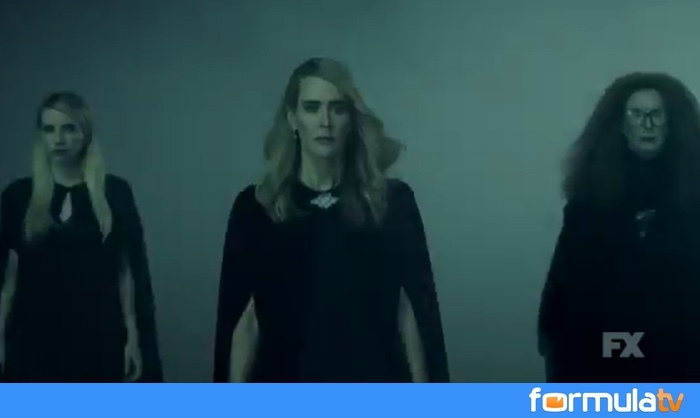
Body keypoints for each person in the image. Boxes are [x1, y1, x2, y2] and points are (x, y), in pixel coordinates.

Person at [213, 58, 450, 382]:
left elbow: (410, 312)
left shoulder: (390, 203)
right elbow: (245, 322)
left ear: (350, 119)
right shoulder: (258, 208)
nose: (325, 121)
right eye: (312, 108)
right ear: (293, 118)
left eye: (337, 109)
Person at [537, 72, 700, 382]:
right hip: (604, 374)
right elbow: (562, 308)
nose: (647, 124)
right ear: (621, 125)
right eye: (637, 114)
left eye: (656, 114)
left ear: (673, 123)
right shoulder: (588, 206)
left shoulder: (693, 203)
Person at [0, 92, 163, 382]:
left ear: (85, 133)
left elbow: (127, 272)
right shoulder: (18, 196)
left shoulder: (114, 193)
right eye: (49, 129)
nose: (58, 139)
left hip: (99, 335)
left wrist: (133, 337)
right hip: (34, 339)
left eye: (69, 128)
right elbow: (9, 277)